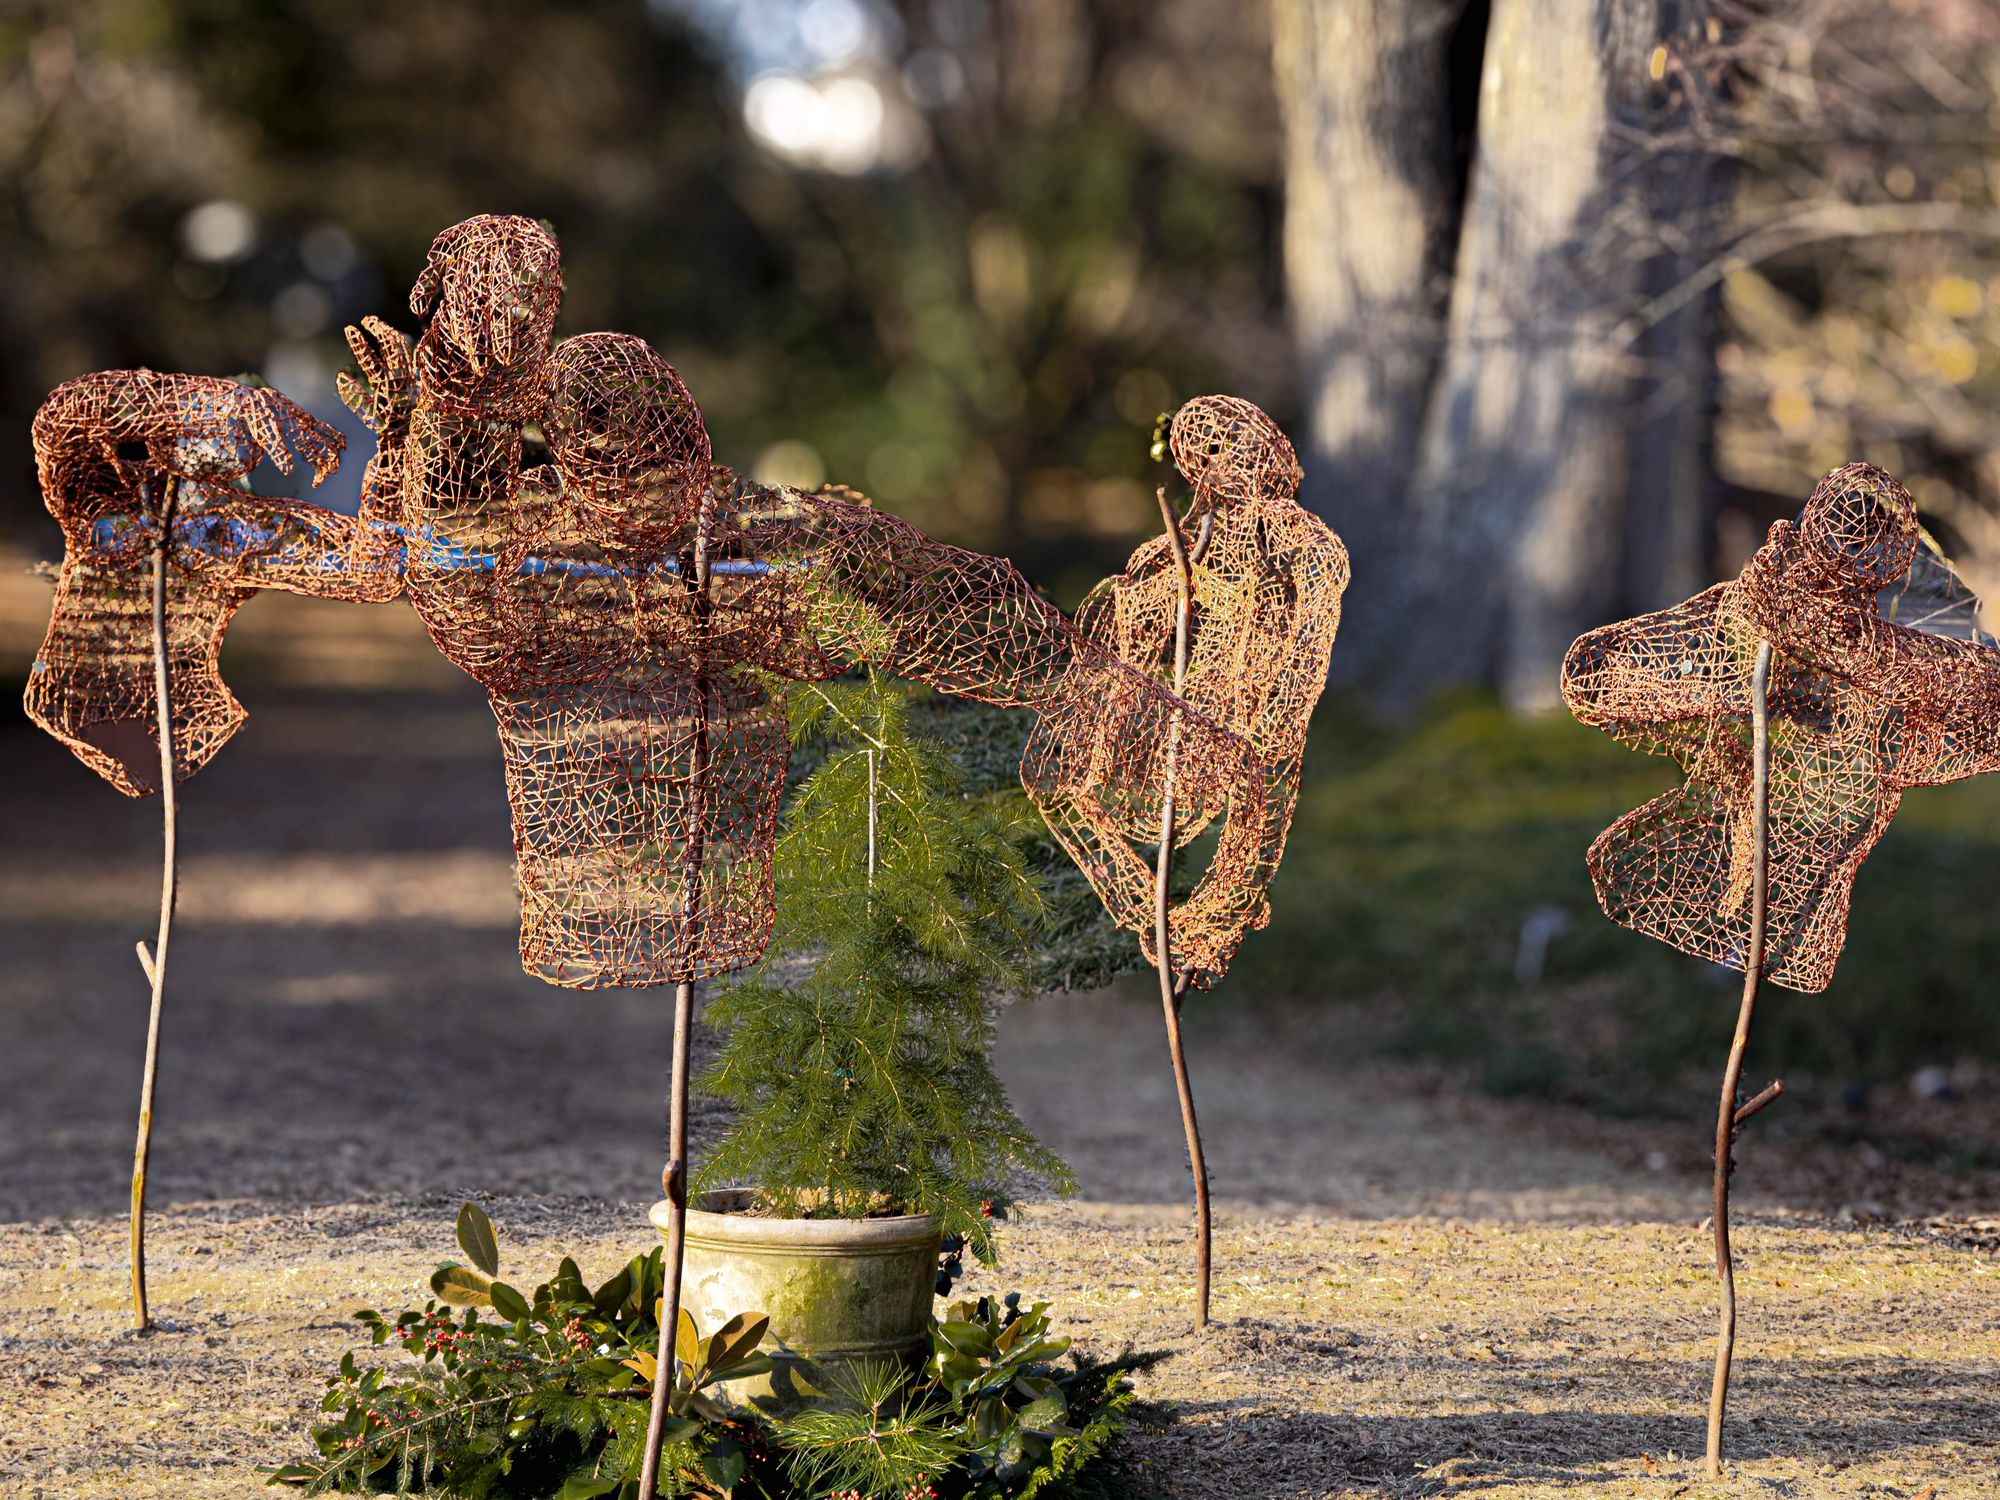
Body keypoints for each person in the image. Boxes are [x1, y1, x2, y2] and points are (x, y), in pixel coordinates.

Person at [340, 215, 1271, 990]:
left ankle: (1204, 851)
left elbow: (436, 557)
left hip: (685, 868)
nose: (625, 470)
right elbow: (425, 563)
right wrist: (437, 414)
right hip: (603, 891)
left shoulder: (768, 545)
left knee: (1025, 659)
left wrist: (444, 411)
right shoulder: (562, 547)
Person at [1563, 461, 2000, 991]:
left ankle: (1754, 951)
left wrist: (1852, 649)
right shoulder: (1749, 605)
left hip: (1820, 836)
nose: (1852, 548)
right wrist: (1720, 687)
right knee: (1655, 868)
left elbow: (1980, 701)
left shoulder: (1892, 649)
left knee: (1788, 895)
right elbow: (1591, 675)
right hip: (1750, 817)